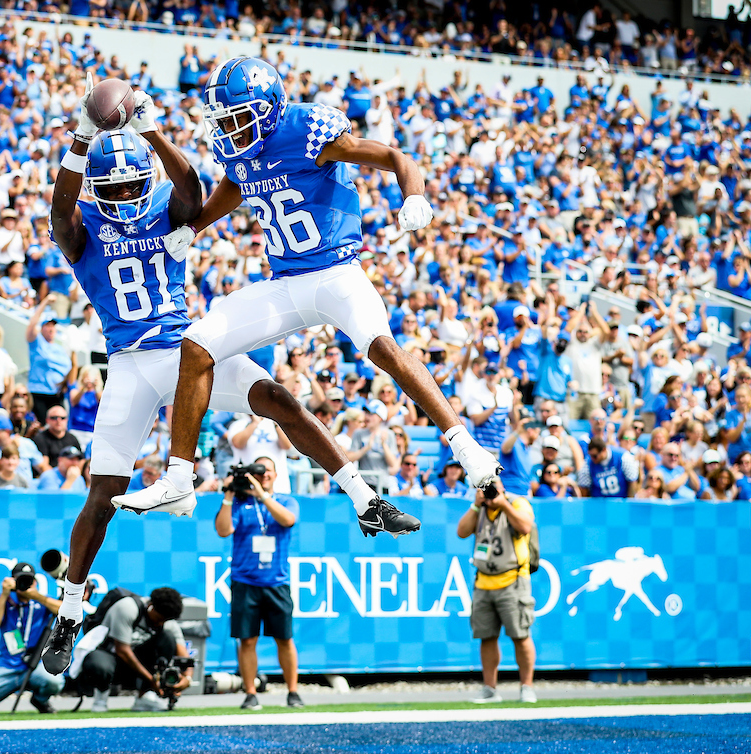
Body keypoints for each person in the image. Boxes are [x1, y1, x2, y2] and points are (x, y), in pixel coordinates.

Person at [114, 56, 498, 533]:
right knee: (196, 346)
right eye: (226, 121)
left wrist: (413, 193)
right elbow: (237, 184)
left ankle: (466, 445)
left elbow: (397, 158)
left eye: (239, 118)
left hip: (337, 273)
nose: (232, 131)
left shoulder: (307, 128)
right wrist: (196, 225)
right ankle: (179, 479)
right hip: (285, 282)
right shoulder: (238, 147)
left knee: (383, 348)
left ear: (271, 107)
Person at [43, 85, 337, 676]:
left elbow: (192, 191)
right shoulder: (82, 231)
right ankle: (69, 614)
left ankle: (360, 491)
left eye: (133, 184)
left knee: (279, 398)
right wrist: (79, 141)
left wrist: (151, 130)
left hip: (185, 354)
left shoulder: (163, 206)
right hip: (128, 361)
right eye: (116, 188)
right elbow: (60, 211)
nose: (127, 194)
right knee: (100, 495)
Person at [214, 456, 302, 710]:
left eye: (266, 471)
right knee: (247, 639)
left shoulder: (286, 500)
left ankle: (293, 691)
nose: (262, 475)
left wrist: (262, 494)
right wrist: (229, 495)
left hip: (276, 581)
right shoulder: (240, 502)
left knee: (284, 638)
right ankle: (251, 692)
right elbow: (223, 530)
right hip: (245, 580)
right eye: (256, 471)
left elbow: (287, 520)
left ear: (276, 474)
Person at [457, 476, 538, 704]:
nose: (490, 491)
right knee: (486, 637)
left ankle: (526, 687)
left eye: (493, 486)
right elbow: (462, 532)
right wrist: (475, 505)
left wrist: (502, 504)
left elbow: (525, 526)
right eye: (485, 487)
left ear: (502, 485)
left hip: (513, 579)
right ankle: (490, 689)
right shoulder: (480, 507)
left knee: (521, 635)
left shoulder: (517, 502)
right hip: (484, 581)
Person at [0, 562, 64, 715]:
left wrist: (36, 595)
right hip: (7, 666)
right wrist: (4, 594)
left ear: (35, 582)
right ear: (12, 581)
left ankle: (40, 700)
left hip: (34, 665)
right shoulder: (5, 600)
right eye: (20, 579)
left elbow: (64, 611)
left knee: (55, 681)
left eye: (29, 580)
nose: (25, 584)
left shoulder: (41, 600)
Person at [71, 586, 193, 713]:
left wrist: (186, 679)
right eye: (158, 619)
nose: (160, 623)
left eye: (164, 620)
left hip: (138, 664)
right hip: (111, 656)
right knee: (98, 662)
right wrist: (152, 680)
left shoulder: (167, 621)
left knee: (168, 638)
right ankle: (100, 698)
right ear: (151, 605)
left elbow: (184, 656)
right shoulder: (128, 608)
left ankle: (144, 697)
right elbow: (122, 651)